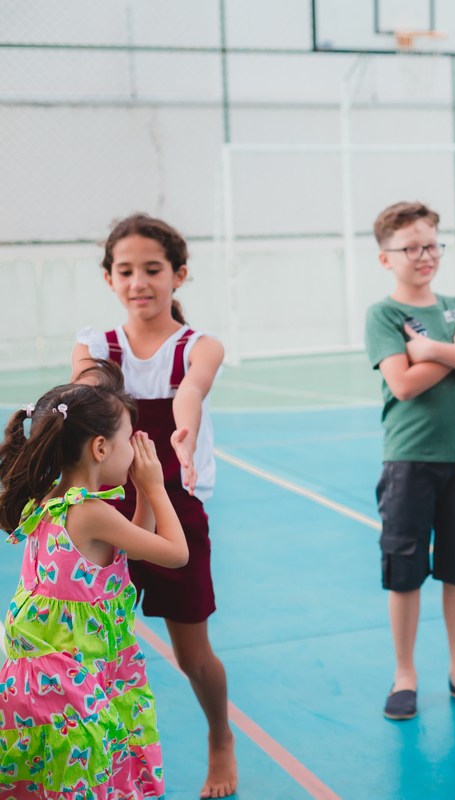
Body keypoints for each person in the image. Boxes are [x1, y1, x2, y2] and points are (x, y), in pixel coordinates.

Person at [70, 214, 236, 799]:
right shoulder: (96, 346)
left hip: (174, 511)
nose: (139, 281)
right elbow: (89, 396)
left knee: (193, 655)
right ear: (110, 279)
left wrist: (183, 436)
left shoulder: (199, 345)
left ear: (178, 275)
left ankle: (221, 736)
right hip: (105, 513)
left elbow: (190, 390)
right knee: (91, 648)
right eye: (125, 270)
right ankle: (96, 756)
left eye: (152, 269)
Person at [0, 360, 189, 798]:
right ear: (101, 449)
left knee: (46, 777)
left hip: (41, 670)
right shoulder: (92, 513)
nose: (134, 449)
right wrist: (156, 487)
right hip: (69, 677)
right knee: (81, 780)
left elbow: (133, 543)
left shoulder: (53, 497)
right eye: (128, 440)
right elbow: (175, 553)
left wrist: (140, 491)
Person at [364, 201, 455, 722]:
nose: (425, 256)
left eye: (432, 245)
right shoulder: (383, 315)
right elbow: (400, 384)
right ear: (386, 258)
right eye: (411, 248)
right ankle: (406, 674)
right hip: (408, 458)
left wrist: (431, 350)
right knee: (404, 570)